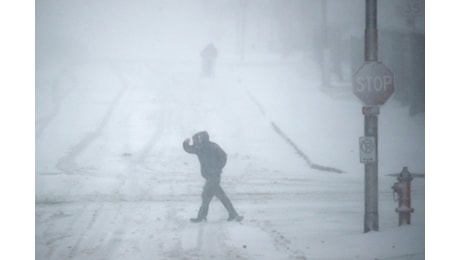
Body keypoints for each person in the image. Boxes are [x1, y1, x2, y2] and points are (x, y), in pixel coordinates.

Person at [183, 131, 242, 222]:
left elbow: (189, 149)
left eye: (199, 138)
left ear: (202, 138)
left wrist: (185, 143)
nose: (198, 140)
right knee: (210, 196)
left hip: (213, 177)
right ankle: (231, 214)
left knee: (211, 196)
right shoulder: (208, 146)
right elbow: (223, 156)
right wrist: (219, 167)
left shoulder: (202, 147)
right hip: (213, 176)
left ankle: (203, 217)